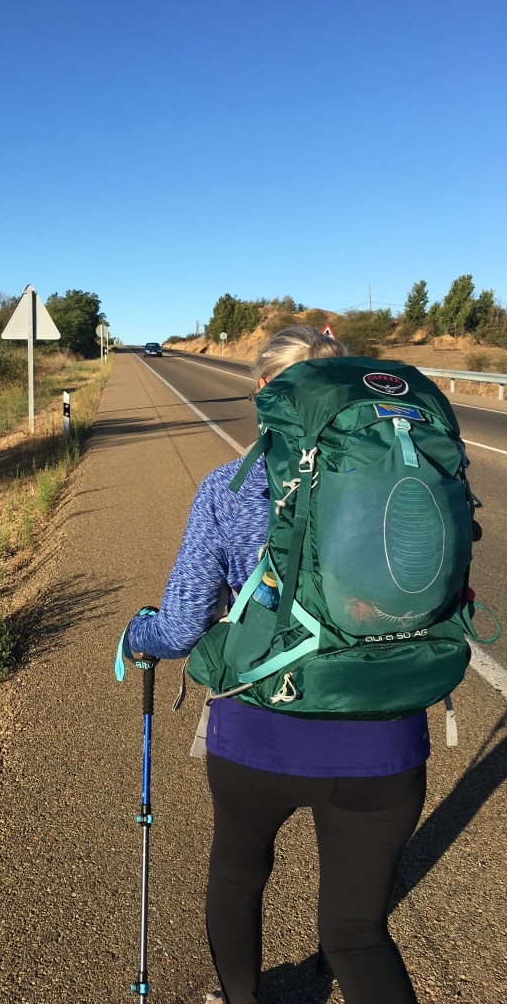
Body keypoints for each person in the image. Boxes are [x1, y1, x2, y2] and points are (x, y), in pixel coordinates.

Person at [123, 326, 428, 1004]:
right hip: (386, 741)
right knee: (357, 934)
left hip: (262, 734)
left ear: (265, 392)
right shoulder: (408, 477)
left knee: (238, 877)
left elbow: (181, 626)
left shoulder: (229, 488)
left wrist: (138, 635)